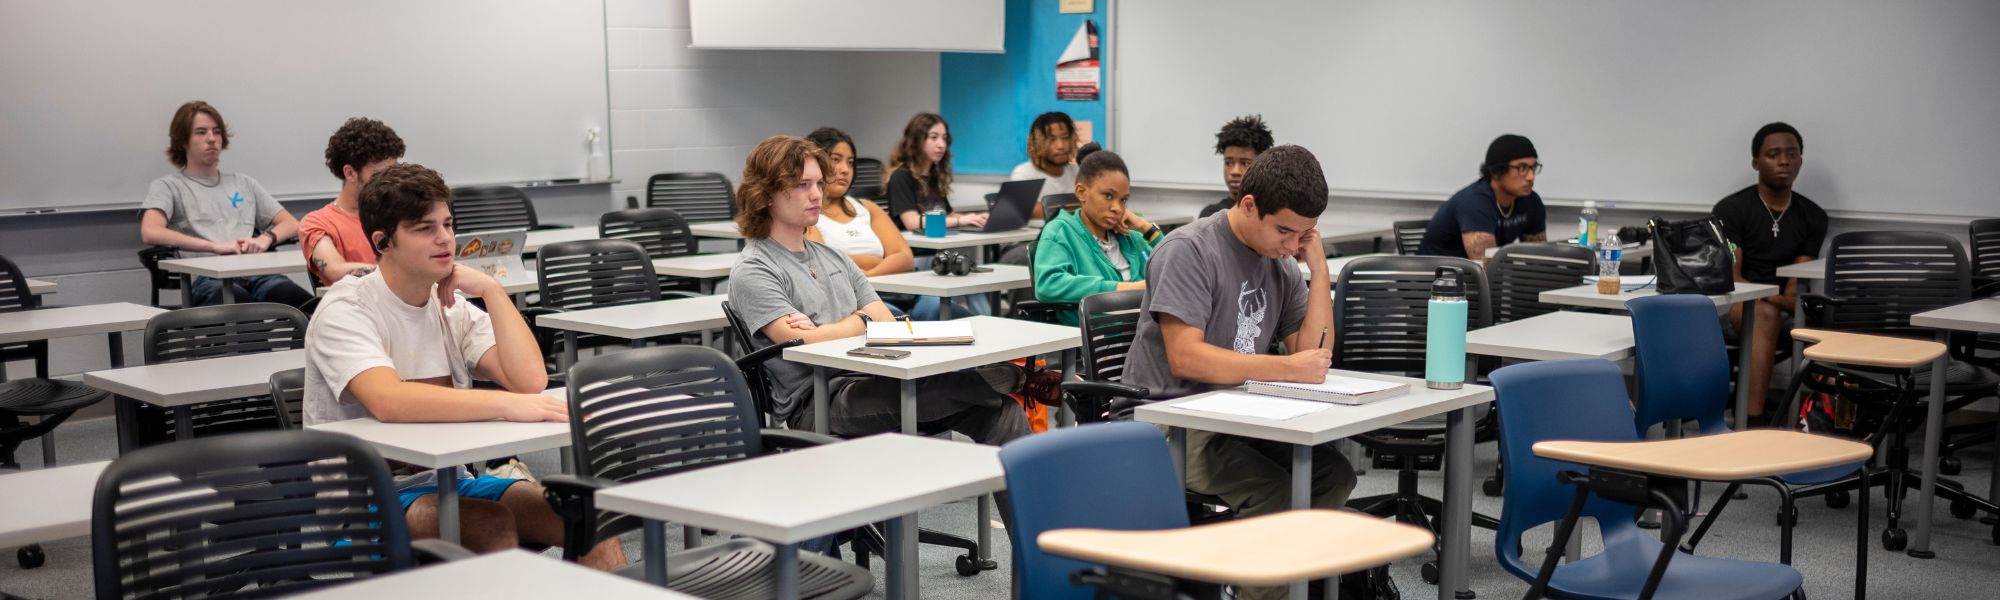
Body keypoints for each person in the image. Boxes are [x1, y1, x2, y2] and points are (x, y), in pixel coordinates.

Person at [301, 163, 624, 569]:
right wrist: (505, 406)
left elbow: (529, 380)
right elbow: (389, 400)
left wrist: (491, 289)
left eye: (448, 225)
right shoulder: (346, 309)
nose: (445, 240)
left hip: (454, 483)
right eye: (424, 229)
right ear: (383, 242)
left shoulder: (449, 304)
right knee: (488, 526)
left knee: (589, 519)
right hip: (361, 500)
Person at [1121, 145, 1352, 600]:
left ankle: (1262, 579)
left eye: (1303, 235)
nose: (1291, 246)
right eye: (1285, 231)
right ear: (1249, 206)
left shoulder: (1283, 263)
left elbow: (1314, 355)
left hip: (1234, 414)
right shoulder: (1189, 250)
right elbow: (1187, 358)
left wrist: (1318, 266)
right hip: (1165, 422)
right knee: (1271, 492)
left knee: (1334, 475)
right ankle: (1256, 587)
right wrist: (1288, 368)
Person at [726, 135, 1053, 440]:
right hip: (823, 399)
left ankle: (1038, 502)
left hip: (878, 374)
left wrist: (843, 327)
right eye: (801, 185)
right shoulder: (754, 269)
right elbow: (808, 343)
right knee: (934, 387)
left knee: (1002, 412)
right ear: (766, 194)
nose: (817, 194)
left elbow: (883, 323)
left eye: (817, 184)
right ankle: (1017, 379)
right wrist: (860, 321)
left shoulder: (835, 258)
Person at [139, 101, 313, 307]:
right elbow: (150, 232)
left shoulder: (244, 183)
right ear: (183, 141)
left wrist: (265, 239)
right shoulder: (169, 186)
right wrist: (214, 246)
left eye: (216, 132)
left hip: (257, 275)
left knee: (303, 304)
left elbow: (291, 223)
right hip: (207, 279)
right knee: (237, 302)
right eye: (201, 132)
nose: (211, 139)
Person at [1712, 122, 1827, 419]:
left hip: (1783, 306)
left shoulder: (1812, 216)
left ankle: (1816, 422)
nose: (1784, 161)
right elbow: (1732, 278)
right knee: (1762, 314)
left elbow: (1795, 290)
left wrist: (1779, 300)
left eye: (1792, 154)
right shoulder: (1731, 210)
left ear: (1800, 160)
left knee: (1829, 317)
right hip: (1735, 304)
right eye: (1774, 154)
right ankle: (1751, 423)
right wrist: (1771, 300)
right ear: (1756, 162)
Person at [1031, 146, 1161, 326]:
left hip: (1143, 334)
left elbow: (1179, 267)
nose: (1117, 207)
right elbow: (1048, 285)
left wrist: (1146, 228)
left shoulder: (1130, 235)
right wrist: (1125, 289)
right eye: (1108, 196)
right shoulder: (1061, 231)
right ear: (1081, 192)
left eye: (1123, 200)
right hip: (1101, 342)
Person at [885, 112, 990, 318]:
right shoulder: (901, 177)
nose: (941, 144)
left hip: (939, 255)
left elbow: (948, 215)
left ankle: (991, 328)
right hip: (917, 259)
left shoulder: (933, 177)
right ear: (917, 140)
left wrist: (975, 217)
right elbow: (912, 221)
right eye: (933, 137)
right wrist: (960, 220)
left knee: (976, 282)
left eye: (944, 138)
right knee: (966, 281)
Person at [302, 117, 405, 286]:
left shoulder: (400, 212)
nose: (391, 181)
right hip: (358, 308)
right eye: (380, 174)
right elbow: (335, 270)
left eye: (394, 172)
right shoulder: (318, 222)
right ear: (350, 173)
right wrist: (404, 273)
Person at [1415, 134, 1549, 262]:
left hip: (1469, 281)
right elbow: (1487, 268)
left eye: (1533, 167)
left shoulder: (1530, 201)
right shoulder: (1475, 202)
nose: (1531, 176)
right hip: (1432, 279)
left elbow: (1539, 261)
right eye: (1522, 168)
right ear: (1497, 171)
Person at [804, 127, 915, 277]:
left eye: (850, 162)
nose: (845, 169)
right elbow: (825, 265)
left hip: (893, 292)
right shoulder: (807, 213)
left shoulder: (867, 208)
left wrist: (869, 274)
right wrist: (877, 261)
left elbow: (906, 260)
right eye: (836, 160)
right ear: (815, 162)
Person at [1198, 115, 1275, 218]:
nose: (1235, 171)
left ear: (1262, 165)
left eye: (1245, 163)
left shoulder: (1272, 213)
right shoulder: (1211, 216)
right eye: (1229, 163)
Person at [1009, 111, 1079, 219]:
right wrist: (1077, 207)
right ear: (1037, 142)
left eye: (1065, 137)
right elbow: (1029, 210)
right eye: (1052, 139)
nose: (1060, 146)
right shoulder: (1023, 173)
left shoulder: (1077, 171)